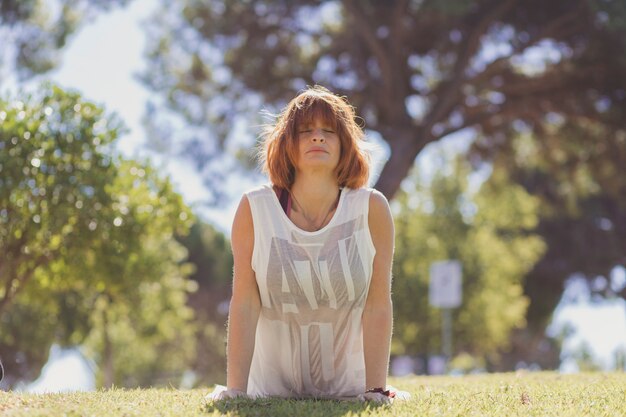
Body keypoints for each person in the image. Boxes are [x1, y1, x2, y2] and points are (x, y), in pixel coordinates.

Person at [208, 85, 407, 403]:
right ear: (287, 143)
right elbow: (244, 303)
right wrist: (236, 392)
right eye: (305, 130)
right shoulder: (254, 208)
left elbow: (378, 304)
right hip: (269, 391)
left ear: (345, 145)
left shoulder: (372, 209)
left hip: (352, 392)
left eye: (329, 130)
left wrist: (375, 390)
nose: (318, 137)